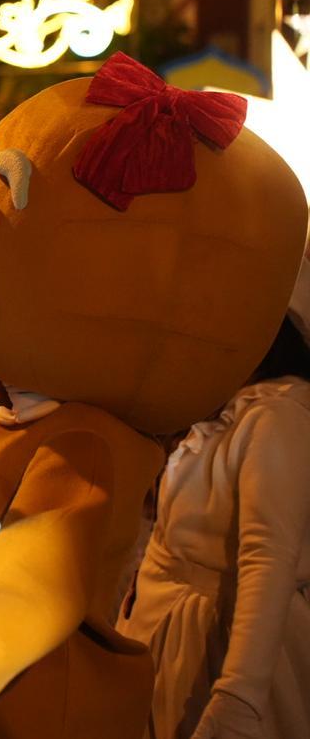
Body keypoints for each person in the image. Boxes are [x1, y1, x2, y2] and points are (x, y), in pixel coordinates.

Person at [116, 260, 310, 739]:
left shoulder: (277, 414)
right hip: (171, 640)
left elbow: (268, 559)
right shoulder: (229, 404)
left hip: (218, 650)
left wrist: (238, 699)